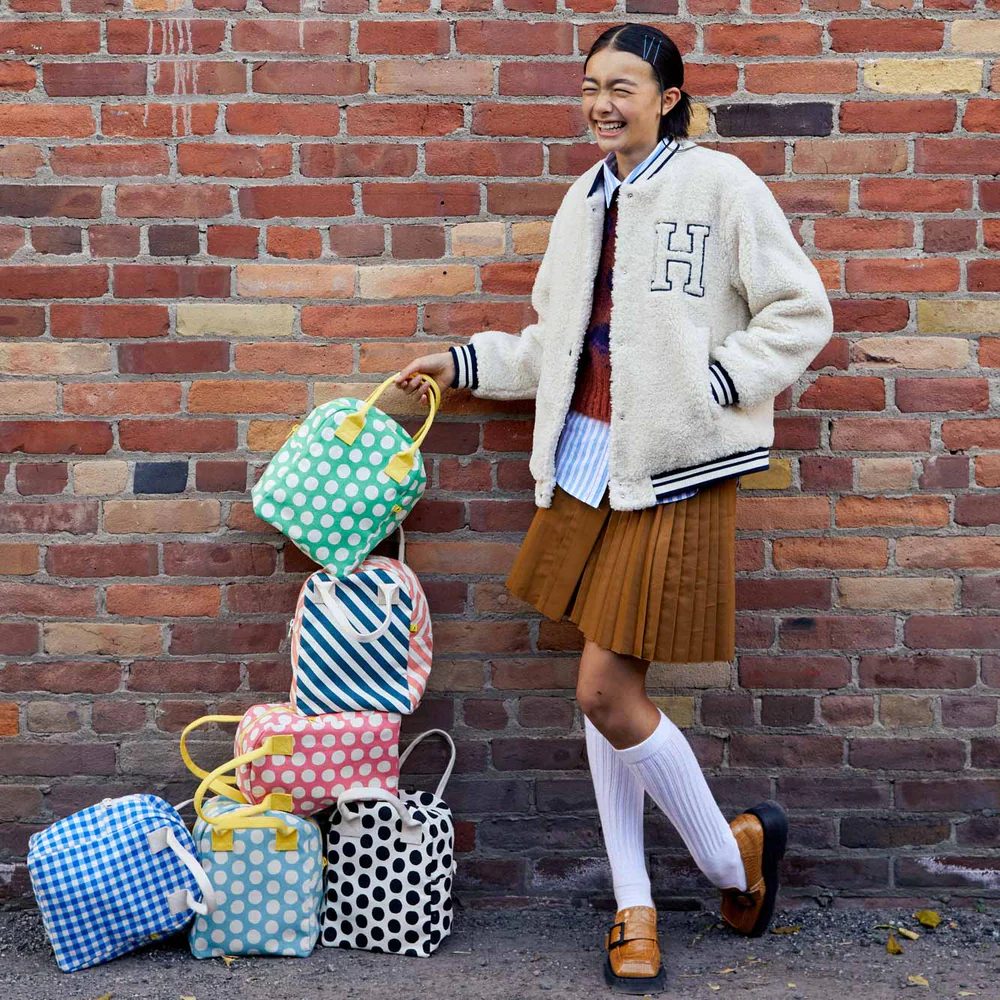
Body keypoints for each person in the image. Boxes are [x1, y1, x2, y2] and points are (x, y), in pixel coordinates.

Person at [394, 22, 834, 993]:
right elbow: (554, 343)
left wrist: (713, 385)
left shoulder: (718, 186)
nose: (602, 101)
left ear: (668, 96)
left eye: (623, 85)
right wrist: (463, 362)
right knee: (599, 695)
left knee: (603, 691)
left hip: (668, 468)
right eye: (591, 84)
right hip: (582, 468)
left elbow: (800, 309)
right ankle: (634, 906)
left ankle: (730, 860)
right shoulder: (581, 199)